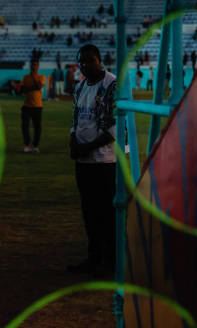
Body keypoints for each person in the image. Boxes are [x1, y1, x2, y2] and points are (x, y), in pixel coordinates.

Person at [68, 44, 117, 275]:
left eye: (90, 60)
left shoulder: (112, 84)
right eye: (82, 62)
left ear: (99, 59)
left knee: (107, 213)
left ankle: (110, 261)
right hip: (84, 162)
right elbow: (75, 119)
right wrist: (73, 142)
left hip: (105, 161)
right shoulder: (79, 87)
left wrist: (88, 146)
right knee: (89, 213)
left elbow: (116, 127)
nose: (86, 65)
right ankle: (94, 257)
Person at [20, 59, 44, 153]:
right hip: (27, 106)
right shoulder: (26, 77)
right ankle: (27, 144)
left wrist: (33, 77)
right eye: (32, 65)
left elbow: (38, 87)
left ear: (38, 66)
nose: (34, 67)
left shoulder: (41, 77)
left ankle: (35, 145)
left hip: (37, 106)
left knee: (37, 127)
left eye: (35, 65)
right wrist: (31, 88)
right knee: (25, 126)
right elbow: (22, 90)